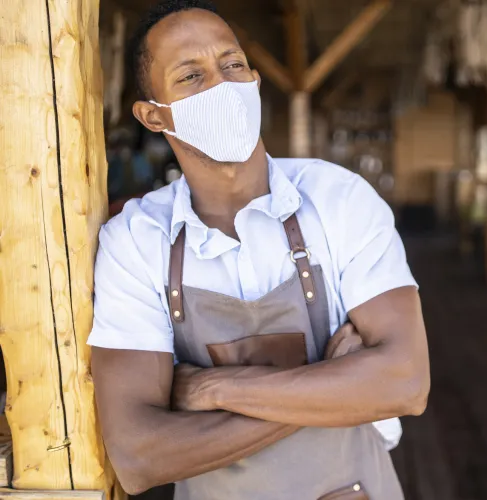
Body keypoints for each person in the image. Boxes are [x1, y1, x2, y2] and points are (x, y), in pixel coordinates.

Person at [88, 1, 430, 499]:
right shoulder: (137, 241)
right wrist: (335, 386)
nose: (222, 86)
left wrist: (213, 389)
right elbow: (139, 457)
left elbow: (404, 385)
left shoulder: (339, 199)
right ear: (153, 115)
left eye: (232, 65)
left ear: (254, 81)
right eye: (191, 76)